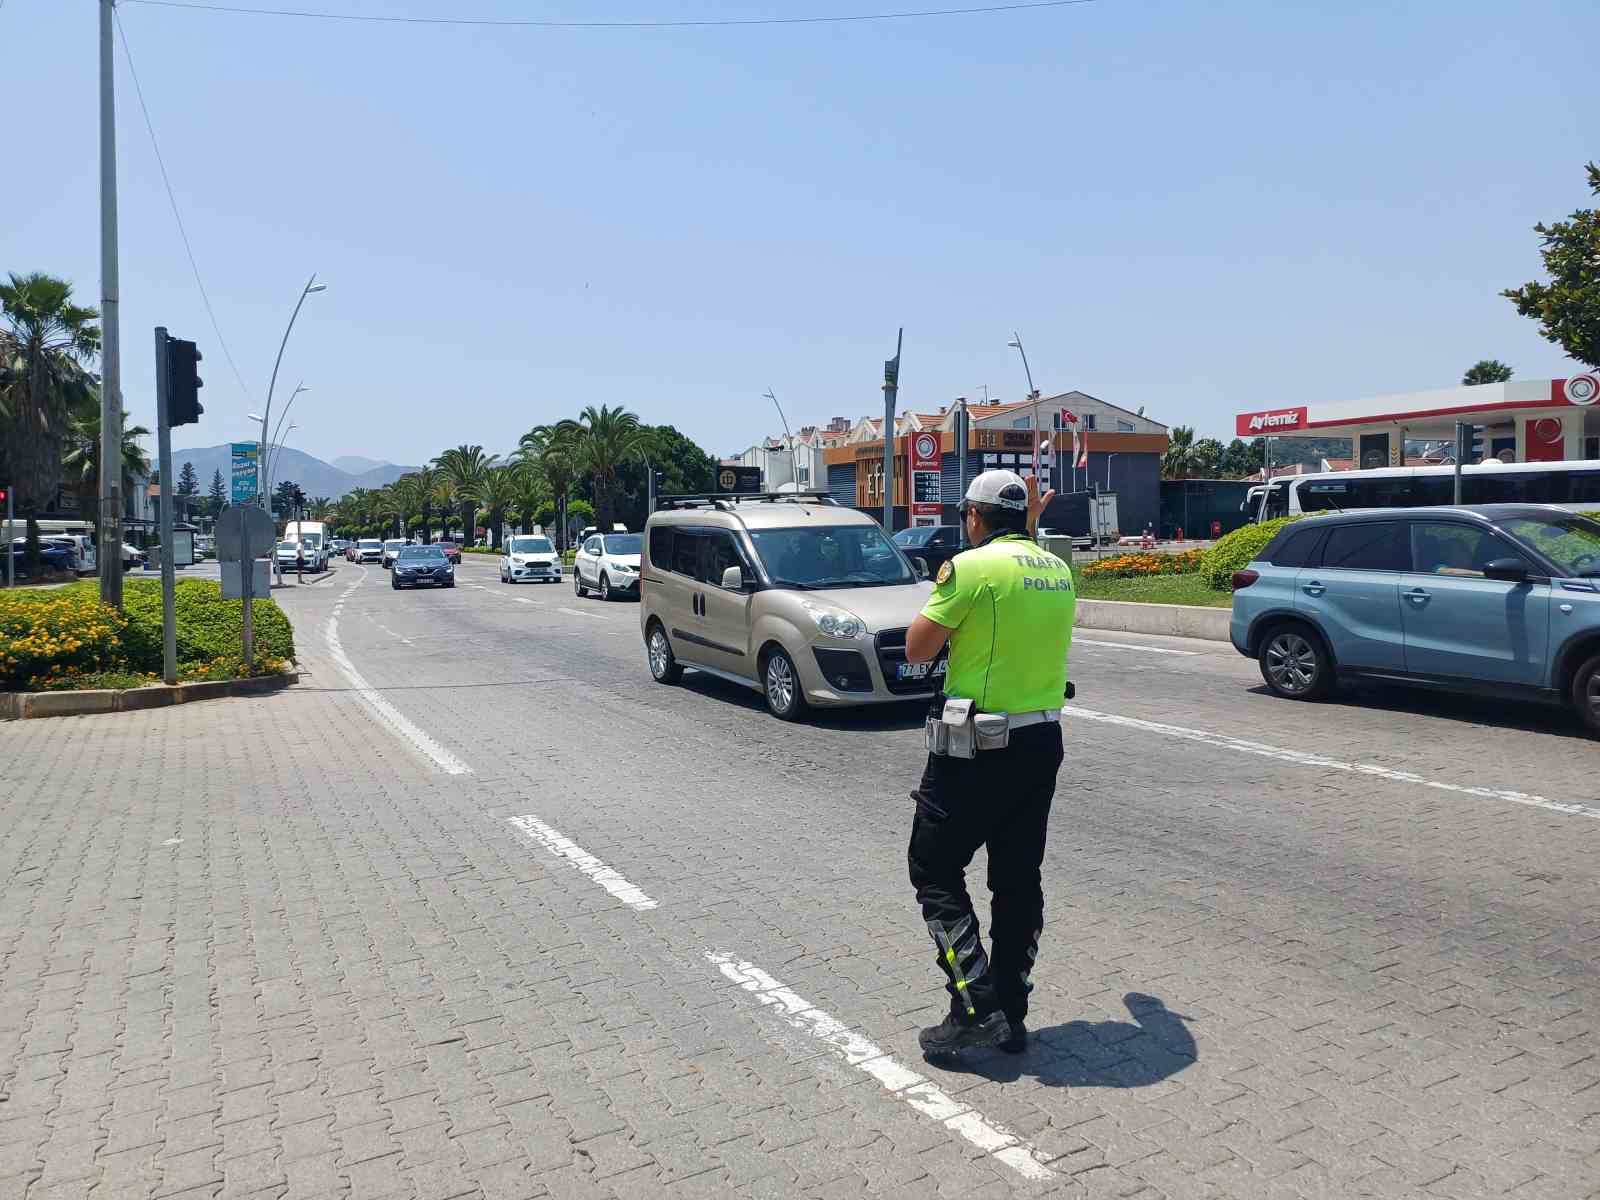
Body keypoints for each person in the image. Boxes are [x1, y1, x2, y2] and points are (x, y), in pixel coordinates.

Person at [902, 469, 1076, 1057]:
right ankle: (1012, 1012)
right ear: (1023, 518)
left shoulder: (969, 568)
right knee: (1017, 880)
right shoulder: (1056, 568)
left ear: (973, 518)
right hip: (1040, 743)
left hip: (975, 750)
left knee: (932, 867)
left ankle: (977, 1004)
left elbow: (918, 647)